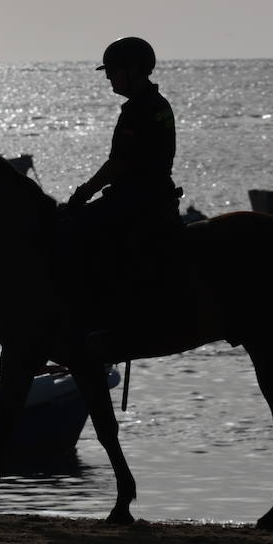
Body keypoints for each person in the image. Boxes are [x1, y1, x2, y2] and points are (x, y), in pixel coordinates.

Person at [64, 36, 184, 353]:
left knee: (80, 236)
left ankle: (105, 323)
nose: (108, 78)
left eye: (113, 71)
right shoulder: (155, 104)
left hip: (138, 199)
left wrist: (82, 194)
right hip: (148, 195)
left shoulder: (140, 110)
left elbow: (118, 164)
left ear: (132, 70)